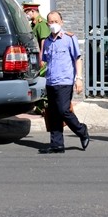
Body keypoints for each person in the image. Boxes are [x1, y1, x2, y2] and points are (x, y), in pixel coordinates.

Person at [38, 10, 90, 154]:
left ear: (61, 22)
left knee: (63, 110)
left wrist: (79, 79)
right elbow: (44, 61)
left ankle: (82, 130)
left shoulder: (69, 38)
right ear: (47, 24)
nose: (53, 24)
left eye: (56, 21)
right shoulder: (47, 41)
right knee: (54, 113)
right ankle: (57, 144)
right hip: (51, 81)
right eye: (51, 22)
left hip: (65, 81)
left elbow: (77, 59)